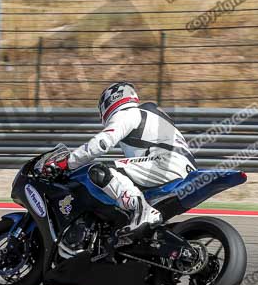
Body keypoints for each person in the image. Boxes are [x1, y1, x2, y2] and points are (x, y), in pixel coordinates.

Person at [45, 82, 196, 236]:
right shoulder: (151, 115)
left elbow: (102, 143)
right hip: (182, 169)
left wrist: (68, 162)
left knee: (99, 171)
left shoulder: (127, 113)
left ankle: (141, 210)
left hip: (164, 164)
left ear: (109, 101)